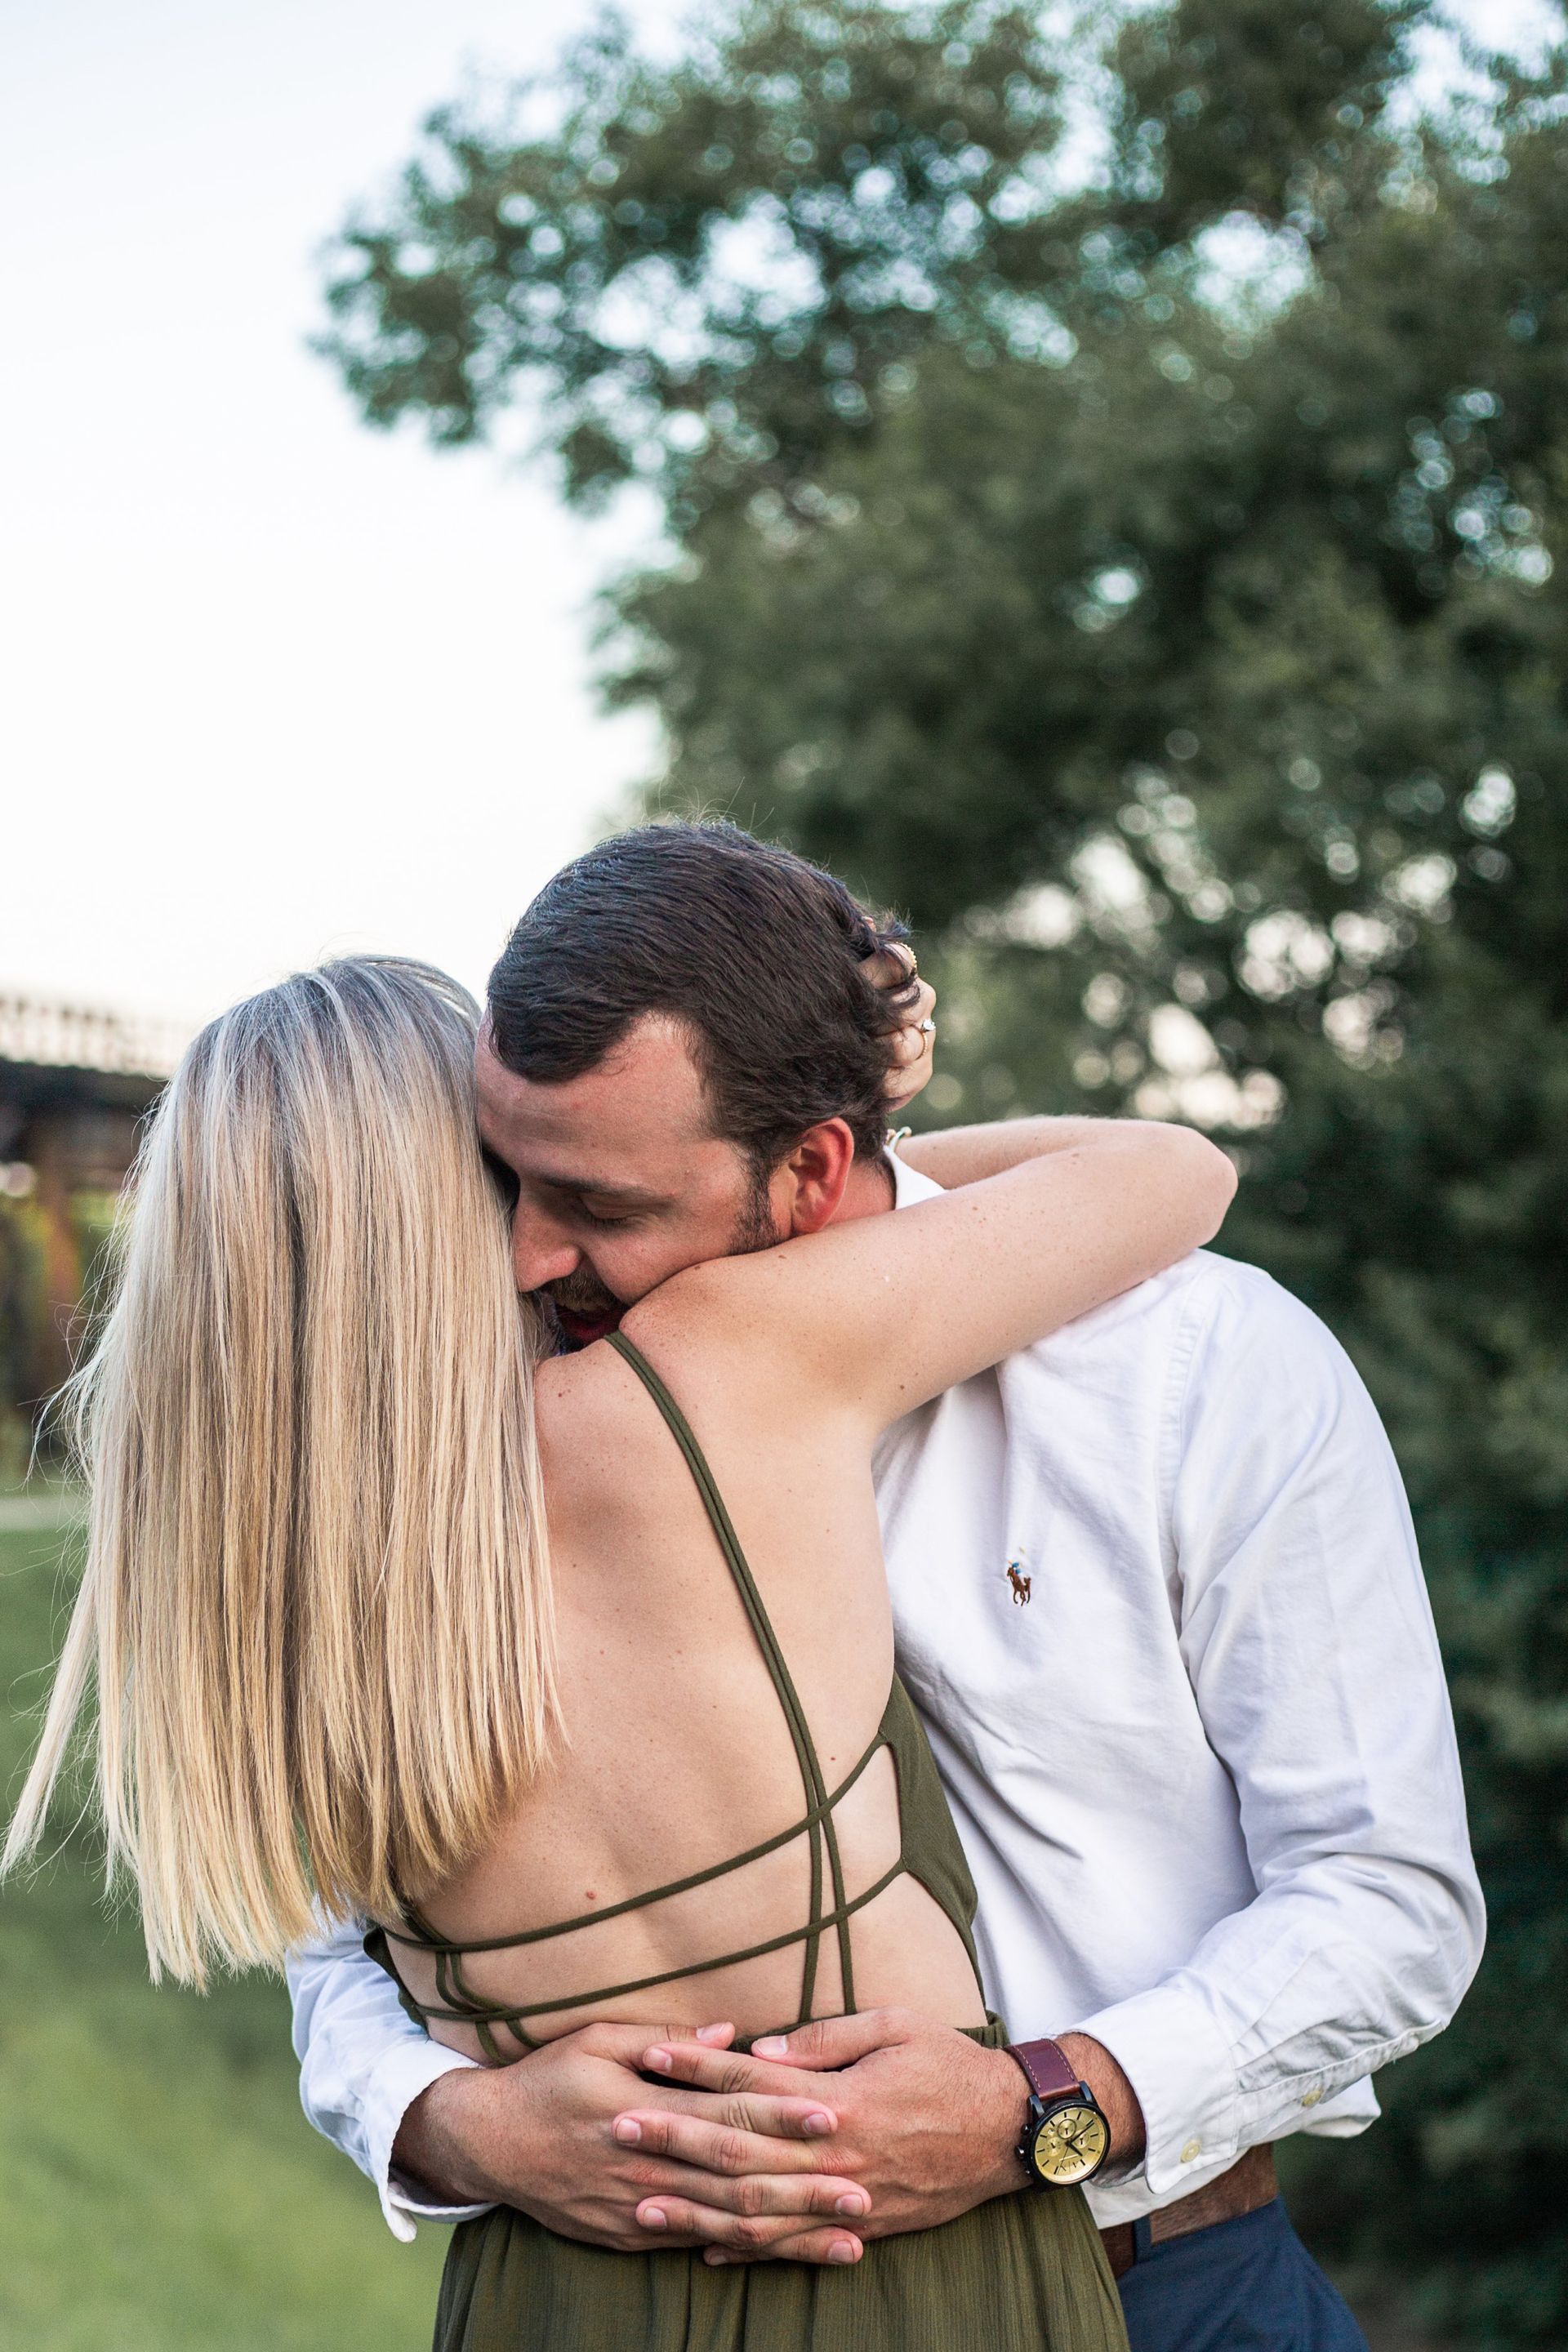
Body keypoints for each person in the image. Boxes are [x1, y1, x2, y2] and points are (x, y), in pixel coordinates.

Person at [290, 824, 1485, 2352]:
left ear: (812, 1171)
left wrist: (1039, 2111)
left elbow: (1390, 1904)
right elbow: (334, 1913)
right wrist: (445, 2123)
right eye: (507, 1180)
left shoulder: (1196, 1367)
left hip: (1168, 2289)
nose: (527, 1256)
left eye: (599, 1204)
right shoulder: (503, 1406)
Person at [2, 927, 1237, 2351]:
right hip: (895, 2259)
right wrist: (813, 1135)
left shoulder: (239, 1585)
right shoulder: (722, 1372)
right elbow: (1173, 1175)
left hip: (553, 2283)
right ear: (462, 1184)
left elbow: (333, 1957)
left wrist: (453, 2127)